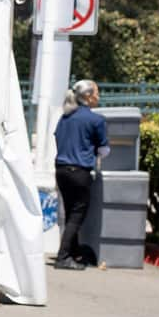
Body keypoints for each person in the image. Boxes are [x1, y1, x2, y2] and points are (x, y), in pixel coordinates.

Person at [53, 79, 110, 270]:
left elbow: (57, 137)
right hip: (80, 171)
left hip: (61, 170)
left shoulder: (65, 117)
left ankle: (73, 253)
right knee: (77, 214)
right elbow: (103, 151)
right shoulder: (96, 120)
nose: (98, 97)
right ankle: (63, 257)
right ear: (87, 96)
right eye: (96, 92)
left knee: (70, 212)